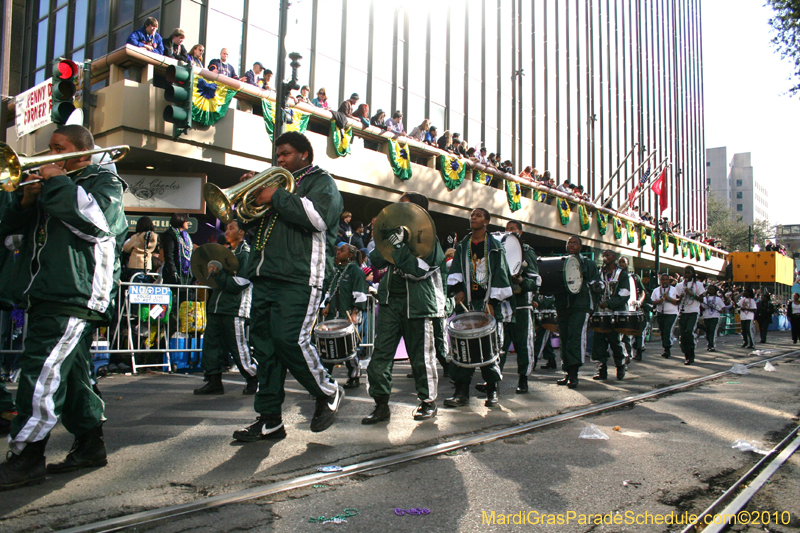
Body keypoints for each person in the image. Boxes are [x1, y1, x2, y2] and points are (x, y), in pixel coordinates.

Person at [0, 125, 127, 490]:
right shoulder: (53, 185)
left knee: (41, 372)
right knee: (70, 376)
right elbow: (11, 235)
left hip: (75, 294)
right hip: (46, 291)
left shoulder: (104, 182)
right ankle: (90, 445)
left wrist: (56, 183)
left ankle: (27, 456)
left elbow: (99, 224)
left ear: (82, 154)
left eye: (59, 148)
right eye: (50, 147)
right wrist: (24, 203)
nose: (49, 154)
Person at [230, 131, 344, 441]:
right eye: (278, 154)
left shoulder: (322, 181)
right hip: (267, 275)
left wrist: (275, 197)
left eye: (287, 153)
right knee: (265, 347)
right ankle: (270, 419)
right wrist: (252, 201)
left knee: (289, 338)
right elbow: (253, 225)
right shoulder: (279, 186)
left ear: (304, 155)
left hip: (301, 276)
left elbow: (318, 218)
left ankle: (328, 391)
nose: (280, 158)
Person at [363, 192, 446, 423]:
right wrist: (383, 237)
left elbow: (418, 271)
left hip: (418, 306)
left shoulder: (431, 243)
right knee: (380, 355)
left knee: (421, 357)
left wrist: (399, 247)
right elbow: (376, 260)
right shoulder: (394, 238)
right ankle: (380, 405)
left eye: (405, 209)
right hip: (391, 303)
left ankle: (428, 402)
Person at [445, 208, 513, 407]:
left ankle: (492, 390)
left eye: (478, 215)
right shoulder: (464, 244)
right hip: (467, 304)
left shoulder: (494, 246)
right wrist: (458, 289)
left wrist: (493, 302)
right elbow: (456, 268)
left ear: (487, 222)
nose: (473, 217)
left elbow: (501, 273)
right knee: (462, 347)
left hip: (487, 304)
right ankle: (461, 392)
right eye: (471, 215)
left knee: (489, 347)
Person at [193, 220, 257, 396]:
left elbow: (240, 282)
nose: (227, 231)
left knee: (238, 346)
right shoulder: (226, 253)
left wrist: (218, 275)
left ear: (241, 233)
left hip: (235, 308)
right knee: (211, 344)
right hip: (217, 306)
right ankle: (213, 380)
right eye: (226, 228)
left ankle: (254, 377)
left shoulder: (246, 254)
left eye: (231, 228)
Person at [495, 221, 540, 394]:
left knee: (523, 344)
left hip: (521, 306)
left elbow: (535, 281)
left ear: (520, 232)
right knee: (499, 344)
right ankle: (494, 379)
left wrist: (521, 281)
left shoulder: (526, 251)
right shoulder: (499, 249)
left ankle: (524, 379)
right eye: (506, 229)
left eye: (512, 229)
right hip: (503, 304)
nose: (509, 232)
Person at [553, 236, 601, 389]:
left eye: (574, 243)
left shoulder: (588, 263)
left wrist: (594, 287)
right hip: (563, 306)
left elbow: (597, 282)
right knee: (565, 339)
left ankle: (574, 374)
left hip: (581, 305)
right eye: (569, 243)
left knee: (576, 337)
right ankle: (567, 372)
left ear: (581, 247)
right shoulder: (560, 262)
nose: (571, 245)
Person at [321, 243, 368, 389]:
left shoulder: (356, 271)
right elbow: (331, 291)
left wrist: (354, 313)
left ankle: (354, 376)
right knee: (328, 346)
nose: (338, 252)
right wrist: (327, 304)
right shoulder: (336, 271)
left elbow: (360, 295)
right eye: (338, 250)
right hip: (333, 315)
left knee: (349, 347)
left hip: (348, 315)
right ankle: (326, 377)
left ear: (350, 255)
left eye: (342, 251)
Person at [591, 250, 630, 381]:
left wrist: (608, 303)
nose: (605, 257)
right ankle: (602, 369)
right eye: (603, 255)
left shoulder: (622, 275)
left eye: (608, 255)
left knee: (616, 341)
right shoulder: (600, 273)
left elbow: (624, 294)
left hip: (615, 313)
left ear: (614, 257)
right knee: (599, 342)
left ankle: (620, 365)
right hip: (601, 314)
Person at [674, 266, 705, 365]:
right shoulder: (679, 286)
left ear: (692, 273)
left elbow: (702, 300)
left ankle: (691, 354)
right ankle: (686, 353)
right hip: (683, 312)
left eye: (688, 273)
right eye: (685, 273)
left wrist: (692, 294)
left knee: (689, 331)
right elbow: (676, 301)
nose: (686, 275)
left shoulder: (698, 285)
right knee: (683, 335)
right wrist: (681, 297)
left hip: (693, 311)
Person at [618, 257, 647, 361]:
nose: (621, 264)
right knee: (623, 334)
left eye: (623, 262)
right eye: (620, 262)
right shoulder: (616, 276)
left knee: (632, 333)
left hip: (632, 309)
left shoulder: (634, 277)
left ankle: (636, 351)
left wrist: (640, 301)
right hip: (621, 309)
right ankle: (626, 354)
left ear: (627, 264)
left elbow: (642, 291)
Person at [160, 213, 193, 286]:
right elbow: (169, 255)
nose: (188, 223)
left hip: (186, 274)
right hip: (175, 273)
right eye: (186, 221)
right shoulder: (170, 234)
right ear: (180, 221)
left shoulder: (186, 236)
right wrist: (173, 271)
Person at [651, 273, 680, 358]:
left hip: (672, 313)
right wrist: (659, 301)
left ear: (669, 281)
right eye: (663, 280)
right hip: (661, 313)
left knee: (667, 330)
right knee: (663, 331)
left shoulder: (674, 290)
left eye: (666, 280)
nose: (664, 281)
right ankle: (665, 347)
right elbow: (652, 302)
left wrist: (668, 299)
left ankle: (667, 349)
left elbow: (678, 302)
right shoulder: (656, 290)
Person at [122, 216, 158, 281]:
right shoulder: (153, 237)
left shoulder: (136, 237)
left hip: (135, 265)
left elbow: (126, 248)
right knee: (145, 286)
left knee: (136, 286)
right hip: (148, 265)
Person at [700, 285, 725, 352]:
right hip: (706, 316)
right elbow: (702, 308)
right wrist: (700, 302)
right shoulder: (705, 299)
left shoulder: (718, 299)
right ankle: (709, 343)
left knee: (712, 330)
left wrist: (721, 311)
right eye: (710, 289)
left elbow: (723, 308)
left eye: (712, 290)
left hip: (715, 316)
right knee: (707, 332)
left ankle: (712, 345)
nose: (711, 291)